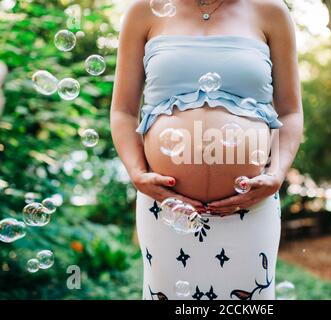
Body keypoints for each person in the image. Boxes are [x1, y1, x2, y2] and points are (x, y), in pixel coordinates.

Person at [110, 0, 303, 300]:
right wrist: (137, 173)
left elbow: (291, 112)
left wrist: (276, 174)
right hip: (164, 207)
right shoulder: (143, 10)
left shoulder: (271, 10)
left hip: (251, 207)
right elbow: (122, 111)